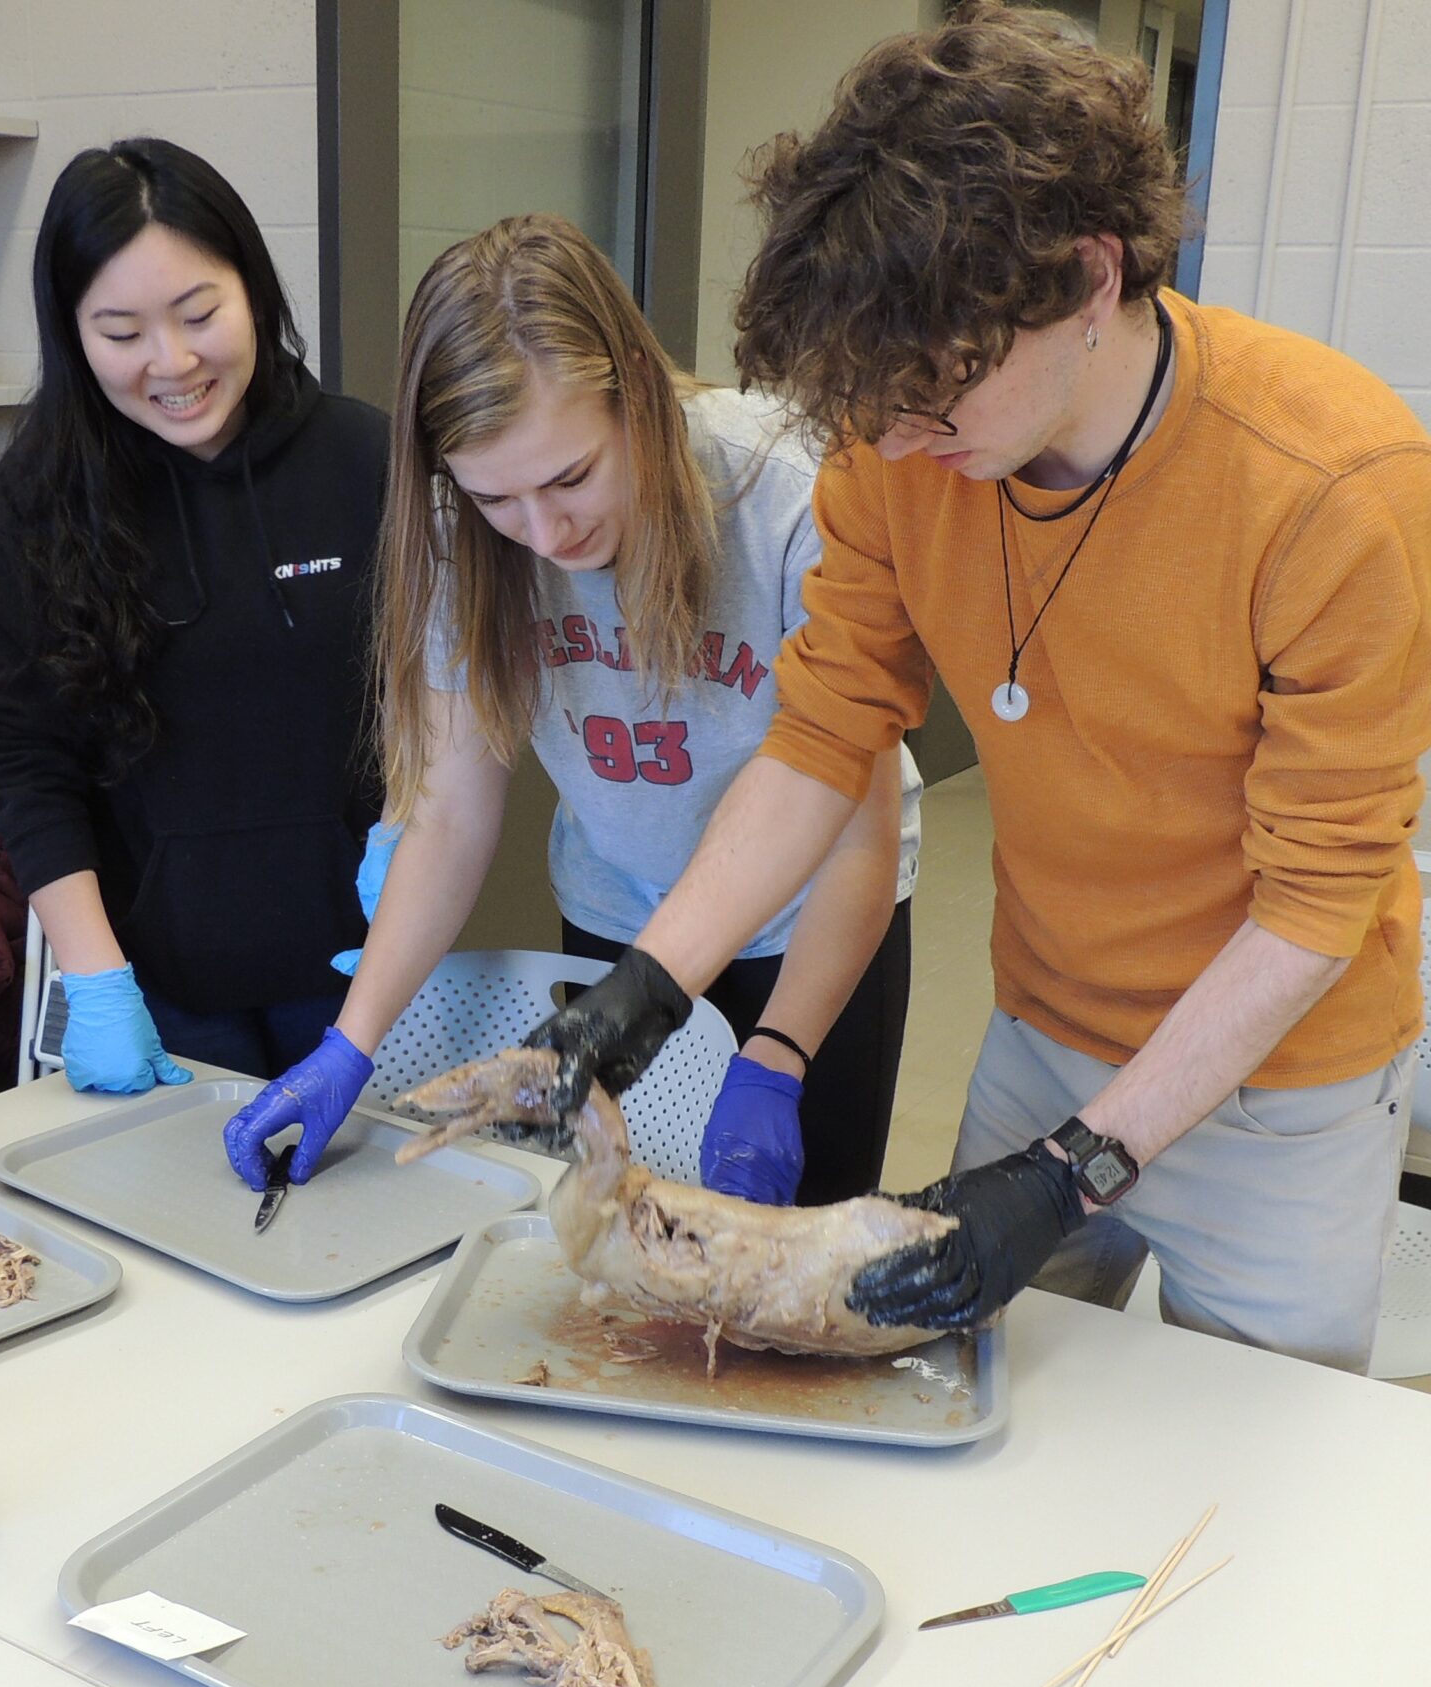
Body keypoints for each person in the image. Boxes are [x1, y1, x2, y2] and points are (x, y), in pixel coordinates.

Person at [501, 5, 1431, 1372]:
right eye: (871, 407)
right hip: (1041, 1025)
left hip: (1276, 1089)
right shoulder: (897, 443)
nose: (895, 438)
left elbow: (1314, 908)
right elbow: (824, 733)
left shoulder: (1341, 493)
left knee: (1244, 1469)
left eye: (936, 398)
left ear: (1085, 280)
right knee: (978, 1395)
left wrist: (1077, 1171)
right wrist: (653, 982)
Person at [224, 214, 920, 1201]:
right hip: (615, 907)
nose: (544, 532)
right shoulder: (457, 530)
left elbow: (855, 828)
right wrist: (352, 1043)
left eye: (571, 477)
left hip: (809, 917)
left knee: (788, 1254)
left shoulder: (787, 497)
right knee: (616, 1233)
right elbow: (453, 810)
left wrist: (778, 1055)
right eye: (498, 501)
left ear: (635, 392)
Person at [0, 139, 388, 1091]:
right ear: (72, 334)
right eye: (122, 333)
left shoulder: (366, 461)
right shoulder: (38, 503)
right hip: (157, 989)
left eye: (201, 314)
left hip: (368, 979)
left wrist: (413, 846)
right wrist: (98, 984)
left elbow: (447, 697)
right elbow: (23, 759)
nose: (174, 361)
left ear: (256, 293)